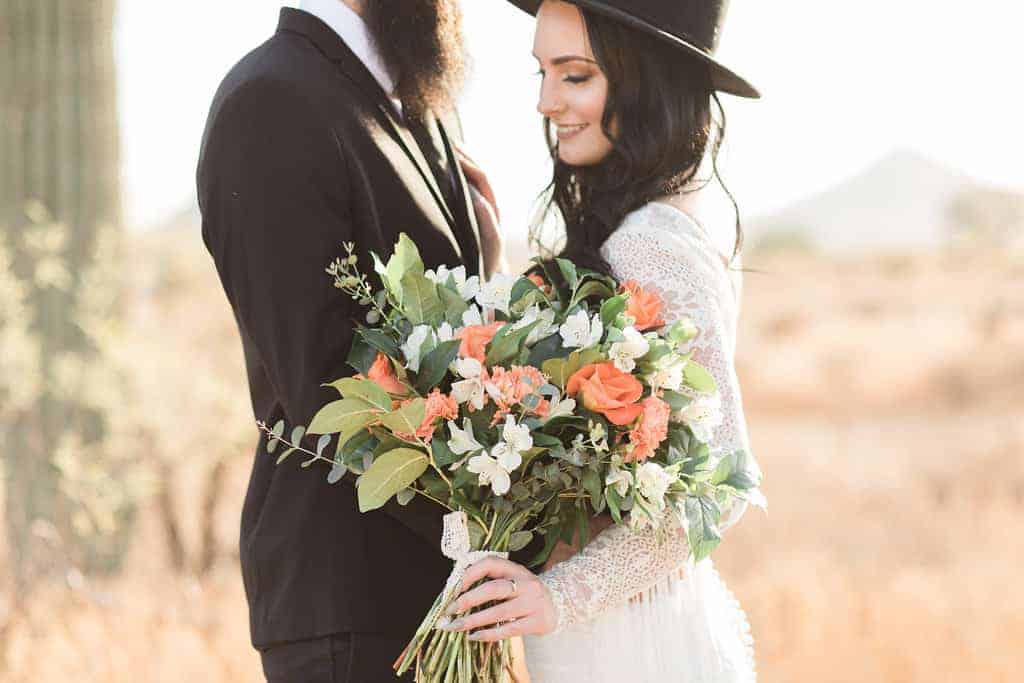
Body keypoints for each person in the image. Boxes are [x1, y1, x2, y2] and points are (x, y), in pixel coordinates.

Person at [195, 1, 538, 680]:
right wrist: (503, 516)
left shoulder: (421, 99)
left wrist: (487, 271)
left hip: (447, 594)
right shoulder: (270, 102)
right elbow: (326, 391)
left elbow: (441, 346)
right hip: (350, 613)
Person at [438, 1, 765, 680]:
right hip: (608, 635)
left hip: (633, 647)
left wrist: (559, 595)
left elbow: (719, 484)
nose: (545, 100)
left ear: (644, 81)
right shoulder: (655, 220)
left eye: (575, 75)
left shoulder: (654, 241)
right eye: (543, 72)